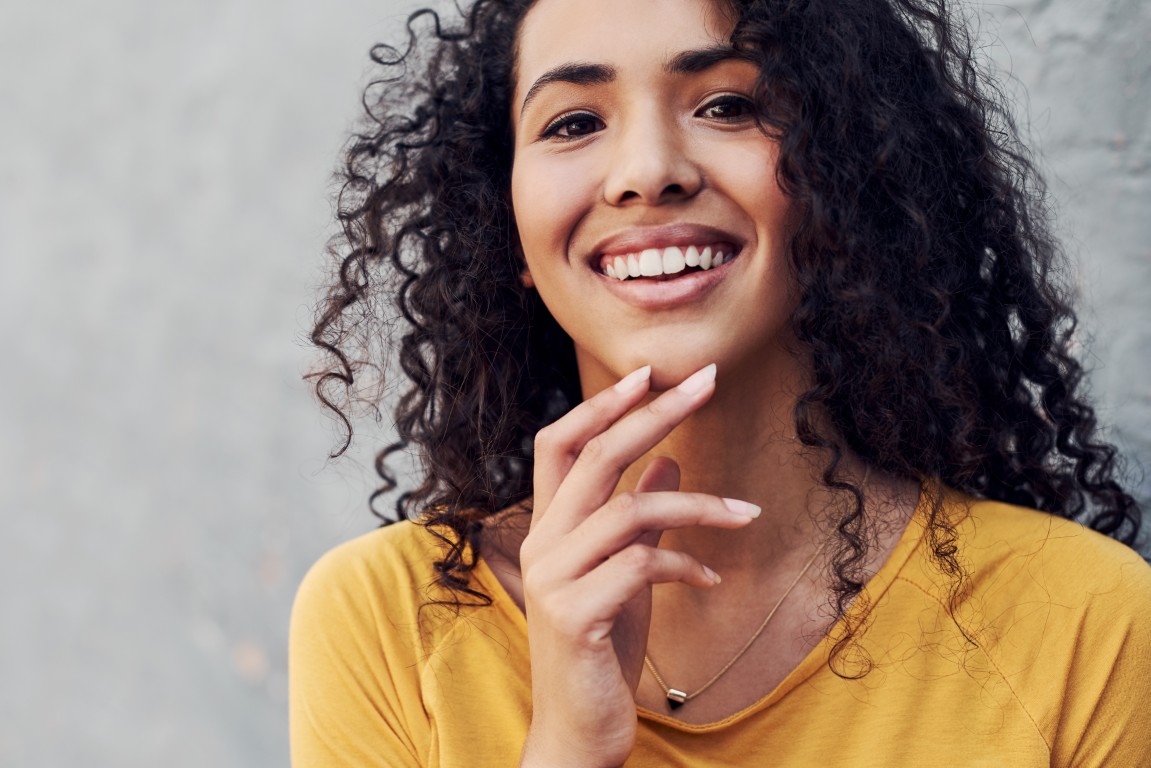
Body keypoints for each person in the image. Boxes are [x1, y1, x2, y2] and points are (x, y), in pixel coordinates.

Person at [290, 0, 1151, 765]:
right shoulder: (389, 622)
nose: (646, 171)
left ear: (843, 176)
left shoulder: (1085, 621)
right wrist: (567, 747)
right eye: (572, 123)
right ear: (503, 224)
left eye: (727, 106)